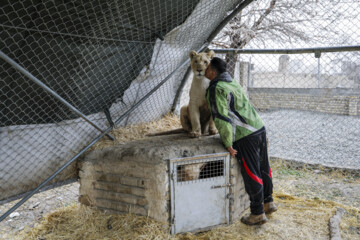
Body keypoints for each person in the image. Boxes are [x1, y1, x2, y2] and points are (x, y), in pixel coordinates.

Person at [205, 57, 276, 225]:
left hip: (245, 135)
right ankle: (269, 201)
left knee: (251, 171)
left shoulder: (216, 88)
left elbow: (221, 118)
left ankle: (257, 213)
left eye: (207, 67)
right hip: (259, 127)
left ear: (213, 72)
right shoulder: (232, 82)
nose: (204, 69)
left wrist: (228, 143)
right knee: (264, 166)